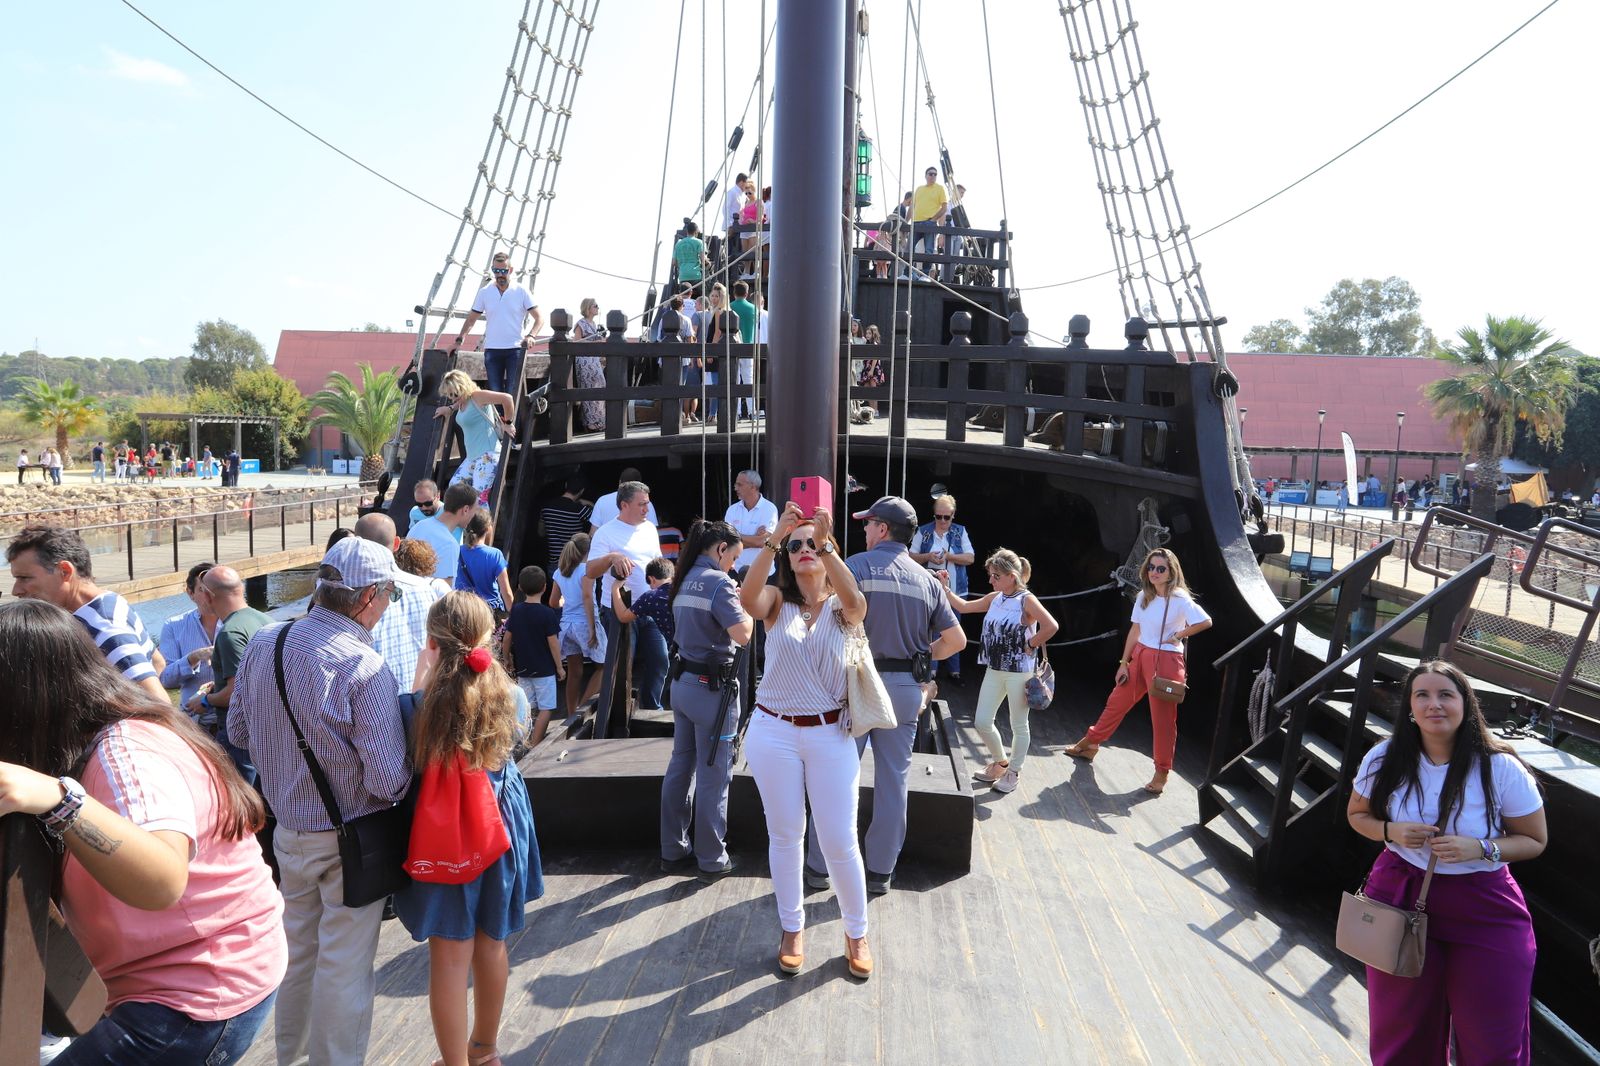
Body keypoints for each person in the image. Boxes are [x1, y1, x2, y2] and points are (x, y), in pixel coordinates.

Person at [0, 599, 285, 1065]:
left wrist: (59, 800)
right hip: (213, 970)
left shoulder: (125, 752)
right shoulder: (112, 734)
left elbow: (162, 879)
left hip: (198, 993)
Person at [228, 537, 412, 1065]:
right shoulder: (365, 666)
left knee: (298, 956)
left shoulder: (266, 641)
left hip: (286, 833)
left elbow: (238, 728)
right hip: (348, 841)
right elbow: (385, 780)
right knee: (344, 966)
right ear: (368, 597)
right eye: (390, 597)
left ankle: (292, 1058)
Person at [1346, 660, 1547, 1065]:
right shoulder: (1385, 757)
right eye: (1422, 695)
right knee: (1402, 1032)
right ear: (1410, 708)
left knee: (1493, 1042)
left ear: (1465, 705)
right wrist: (1392, 831)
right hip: (1400, 895)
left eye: (1445, 695)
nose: (1434, 704)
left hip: (1484, 905)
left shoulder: (1500, 766)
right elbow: (1358, 815)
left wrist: (1483, 848)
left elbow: (1534, 840)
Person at [393, 592, 542, 1066]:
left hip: (447, 833)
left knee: (449, 956)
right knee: (491, 943)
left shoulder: (415, 706)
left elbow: (409, 760)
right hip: (500, 823)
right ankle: (485, 1050)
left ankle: (454, 1063)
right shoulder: (512, 696)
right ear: (488, 638)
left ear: (433, 644)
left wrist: (422, 674)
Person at [804, 496, 967, 895]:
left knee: (837, 777)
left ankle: (819, 866)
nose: (863, 529)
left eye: (867, 523)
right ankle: (880, 871)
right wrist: (923, 661)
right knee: (894, 780)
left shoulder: (854, 567)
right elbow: (957, 640)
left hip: (854, 685)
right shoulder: (928, 581)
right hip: (904, 690)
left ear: (881, 529)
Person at [739, 503, 874, 979]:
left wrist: (825, 540)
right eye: (796, 548)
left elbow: (855, 599)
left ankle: (856, 932)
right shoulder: (777, 602)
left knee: (839, 840)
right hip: (773, 730)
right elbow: (746, 596)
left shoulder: (843, 606)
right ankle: (791, 927)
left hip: (830, 733)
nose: (803, 552)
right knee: (786, 834)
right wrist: (778, 534)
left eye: (809, 547)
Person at [1066, 547, 1213, 795]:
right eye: (1151, 567)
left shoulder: (1179, 598)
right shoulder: (1145, 596)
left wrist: (1178, 634)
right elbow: (1135, 631)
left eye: (1160, 568)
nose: (1154, 572)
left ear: (1171, 572)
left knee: (1163, 720)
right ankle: (1091, 742)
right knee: (1117, 701)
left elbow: (1205, 621)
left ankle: (1162, 771)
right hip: (1141, 655)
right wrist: (1124, 663)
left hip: (1166, 660)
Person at [662, 520, 752, 882]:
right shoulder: (720, 583)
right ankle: (712, 858)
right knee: (715, 775)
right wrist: (744, 602)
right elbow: (743, 634)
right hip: (711, 693)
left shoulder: (684, 579)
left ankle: (672, 849)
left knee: (680, 767)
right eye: (733, 557)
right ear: (719, 550)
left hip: (682, 684)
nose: (732, 564)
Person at [939, 550, 1058, 794]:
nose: (991, 580)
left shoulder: (1026, 600)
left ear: (1012, 576)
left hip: (1019, 672)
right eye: (991, 575)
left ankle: (1013, 771)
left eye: (996, 576)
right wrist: (945, 588)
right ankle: (1001, 762)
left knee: (1018, 724)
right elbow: (964, 605)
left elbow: (1051, 625)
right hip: (994, 668)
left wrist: (1031, 643)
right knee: (982, 721)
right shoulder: (996, 597)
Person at [7, 524, 170, 701]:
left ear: (65, 571)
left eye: (24, 578)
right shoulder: (112, 602)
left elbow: (157, 702)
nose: (16, 590)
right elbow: (157, 662)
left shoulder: (104, 629)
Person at [188, 565, 266, 786]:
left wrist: (205, 700)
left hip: (238, 736)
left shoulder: (230, 633)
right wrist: (219, 683)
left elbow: (235, 693)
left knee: (244, 801)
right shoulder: (265, 620)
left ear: (208, 596)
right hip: (264, 730)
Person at [359, 512, 447, 692]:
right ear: (397, 543)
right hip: (418, 695)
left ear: (357, 544)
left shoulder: (357, 594)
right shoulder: (425, 588)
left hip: (375, 697)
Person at [911, 492, 976, 685]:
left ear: (953, 515)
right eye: (938, 517)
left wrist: (949, 557)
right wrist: (928, 557)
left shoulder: (960, 531)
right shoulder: (923, 531)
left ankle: (954, 671)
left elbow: (970, 558)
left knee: (954, 628)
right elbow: (910, 556)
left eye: (946, 517)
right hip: (928, 590)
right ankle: (930, 669)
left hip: (955, 591)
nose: (942, 521)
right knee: (929, 629)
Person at [456, 250, 542, 395]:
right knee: (495, 393)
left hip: (515, 350)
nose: (500, 274)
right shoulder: (485, 292)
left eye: (503, 270)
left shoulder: (521, 291)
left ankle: (509, 419)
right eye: (496, 270)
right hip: (492, 350)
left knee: (512, 393)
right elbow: (471, 319)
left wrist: (531, 335)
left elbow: (539, 318)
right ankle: (499, 418)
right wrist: (459, 340)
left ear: (511, 270)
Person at [586, 480, 660, 634]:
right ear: (624, 505)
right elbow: (591, 572)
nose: (647, 509)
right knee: (623, 659)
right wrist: (612, 557)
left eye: (648, 504)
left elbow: (658, 565)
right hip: (618, 611)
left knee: (660, 658)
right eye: (642, 504)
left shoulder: (650, 528)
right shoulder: (605, 532)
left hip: (649, 608)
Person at [503, 566, 565, 746]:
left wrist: (507, 658)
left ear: (520, 588)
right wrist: (560, 666)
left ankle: (520, 741)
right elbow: (553, 643)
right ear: (545, 587)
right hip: (545, 669)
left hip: (523, 668)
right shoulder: (547, 613)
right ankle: (534, 744)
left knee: (526, 707)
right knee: (546, 707)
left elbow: (507, 638)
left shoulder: (516, 611)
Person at [436, 368, 515, 506]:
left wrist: (508, 423)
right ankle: (463, 525)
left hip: (488, 454)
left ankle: (483, 527)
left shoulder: (478, 396)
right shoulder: (461, 402)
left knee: (479, 498)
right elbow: (460, 403)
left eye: (455, 394)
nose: (453, 398)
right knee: (454, 489)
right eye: (449, 395)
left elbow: (507, 398)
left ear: (463, 387)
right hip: (472, 457)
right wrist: (449, 408)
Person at [608, 557, 674, 711]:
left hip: (678, 647)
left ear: (651, 579)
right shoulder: (684, 589)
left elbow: (623, 616)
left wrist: (615, 590)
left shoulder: (651, 596)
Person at [553, 533, 604, 715]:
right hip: (584, 623)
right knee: (604, 668)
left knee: (575, 672)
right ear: (589, 552)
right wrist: (592, 628)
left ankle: (570, 712)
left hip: (566, 626)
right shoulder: (587, 570)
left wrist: (565, 602)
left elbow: (553, 602)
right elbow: (587, 596)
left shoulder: (560, 572)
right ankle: (581, 712)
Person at [160, 561, 220, 711]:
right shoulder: (173, 626)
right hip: (194, 718)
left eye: (213, 589)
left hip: (230, 714)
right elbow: (166, 680)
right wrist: (193, 658)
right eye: (201, 589)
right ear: (190, 593)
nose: (209, 595)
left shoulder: (237, 622)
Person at [408, 480, 481, 582]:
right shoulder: (450, 545)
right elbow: (444, 592)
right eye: (474, 511)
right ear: (465, 510)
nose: (473, 515)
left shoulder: (418, 526)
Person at [455, 506, 513, 616]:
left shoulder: (457, 551)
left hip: (463, 609)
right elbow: (506, 592)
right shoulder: (495, 554)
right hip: (487, 612)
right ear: (487, 528)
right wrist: (514, 617)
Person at [724, 468, 780, 578]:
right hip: (736, 571)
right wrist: (755, 539)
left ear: (753, 486)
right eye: (736, 484)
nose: (735, 488)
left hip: (764, 574)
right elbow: (727, 541)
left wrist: (735, 538)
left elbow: (763, 542)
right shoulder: (732, 510)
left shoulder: (769, 508)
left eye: (740, 485)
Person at [541, 471, 592, 570]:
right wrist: (589, 503)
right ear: (582, 491)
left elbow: (541, 533)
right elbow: (597, 519)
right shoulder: (579, 509)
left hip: (555, 565)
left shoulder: (546, 507)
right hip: (574, 564)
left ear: (566, 485)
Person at [573, 297, 608, 433]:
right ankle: (590, 422)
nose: (598, 308)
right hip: (584, 360)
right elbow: (576, 342)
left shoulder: (594, 325)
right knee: (589, 388)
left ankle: (599, 420)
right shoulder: (580, 324)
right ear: (588, 308)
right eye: (595, 305)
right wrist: (595, 343)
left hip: (594, 360)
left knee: (600, 385)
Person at [590, 467, 661, 530]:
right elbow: (652, 530)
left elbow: (593, 533)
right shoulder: (646, 503)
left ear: (620, 482)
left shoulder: (602, 501)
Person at [910, 165, 948, 266]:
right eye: (931, 174)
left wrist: (933, 220)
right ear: (926, 176)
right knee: (909, 249)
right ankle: (907, 273)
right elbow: (912, 207)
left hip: (929, 223)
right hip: (916, 222)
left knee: (929, 250)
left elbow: (944, 208)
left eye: (935, 174)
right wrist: (905, 222)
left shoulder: (940, 189)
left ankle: (926, 274)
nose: (933, 176)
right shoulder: (919, 189)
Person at [672, 220, 708, 297]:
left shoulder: (678, 244)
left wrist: (682, 267)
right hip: (696, 276)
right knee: (702, 296)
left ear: (687, 231)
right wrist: (709, 264)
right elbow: (703, 260)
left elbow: (674, 262)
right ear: (696, 232)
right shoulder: (699, 242)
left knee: (684, 298)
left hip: (683, 276)